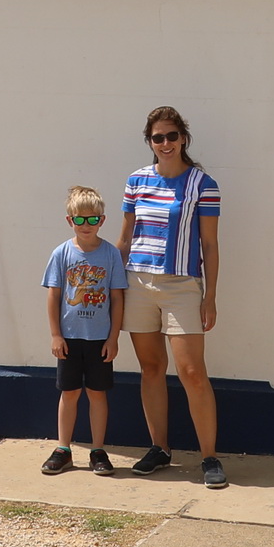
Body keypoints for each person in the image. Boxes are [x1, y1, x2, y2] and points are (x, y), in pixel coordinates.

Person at [119, 105, 225, 487]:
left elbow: (210, 245)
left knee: (192, 372)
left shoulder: (203, 184)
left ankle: (209, 457)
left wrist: (209, 296)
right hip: (138, 284)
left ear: (184, 138)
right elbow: (126, 238)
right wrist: (109, 284)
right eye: (157, 137)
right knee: (150, 368)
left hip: (182, 286)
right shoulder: (136, 181)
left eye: (172, 136)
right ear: (150, 142)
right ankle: (160, 448)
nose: (165, 143)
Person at [40, 187, 127, 476]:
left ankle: (98, 449)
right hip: (70, 337)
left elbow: (117, 297)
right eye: (80, 220)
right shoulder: (62, 253)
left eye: (93, 220)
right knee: (70, 392)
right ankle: (63, 448)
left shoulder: (111, 254)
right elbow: (54, 295)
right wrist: (55, 334)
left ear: (102, 221)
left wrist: (113, 337)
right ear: (70, 221)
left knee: (97, 393)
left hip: (99, 338)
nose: (86, 226)